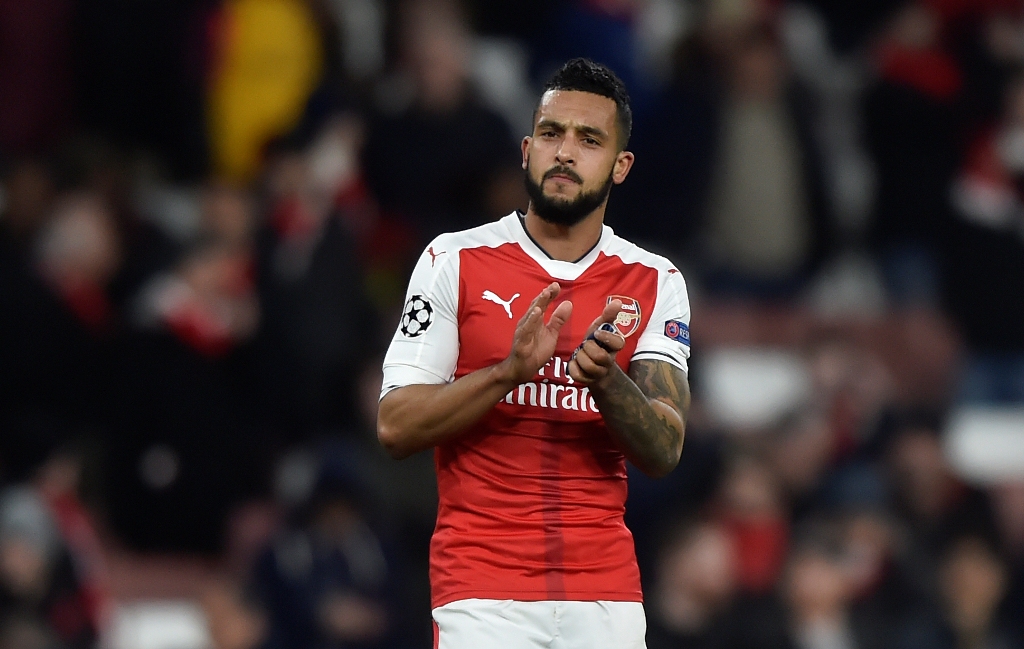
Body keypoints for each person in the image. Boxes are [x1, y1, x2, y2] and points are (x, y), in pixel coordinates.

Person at [378, 58, 692, 649]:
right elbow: (395, 425)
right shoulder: (454, 260)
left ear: (621, 166)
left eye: (589, 139)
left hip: (606, 595)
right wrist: (509, 373)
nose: (566, 152)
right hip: (482, 595)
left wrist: (607, 382)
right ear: (526, 150)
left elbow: (665, 448)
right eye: (552, 134)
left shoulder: (655, 280)